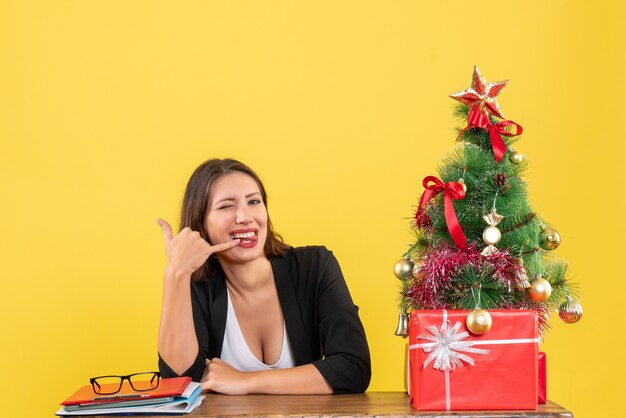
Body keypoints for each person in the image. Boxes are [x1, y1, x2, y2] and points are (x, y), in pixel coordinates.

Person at [156, 158, 370, 395]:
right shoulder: (197, 286)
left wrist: (245, 381)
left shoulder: (315, 266)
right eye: (226, 206)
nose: (244, 216)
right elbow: (178, 383)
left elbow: (353, 368)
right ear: (201, 224)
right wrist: (176, 273)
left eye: (254, 201)